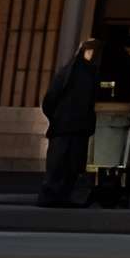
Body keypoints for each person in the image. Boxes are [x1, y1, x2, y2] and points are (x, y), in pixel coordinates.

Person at [37, 35, 100, 207]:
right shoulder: (82, 73)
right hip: (70, 126)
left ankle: (55, 194)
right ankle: (56, 194)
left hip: (67, 125)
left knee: (63, 163)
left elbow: (51, 98)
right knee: (65, 163)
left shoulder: (72, 71)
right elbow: (52, 98)